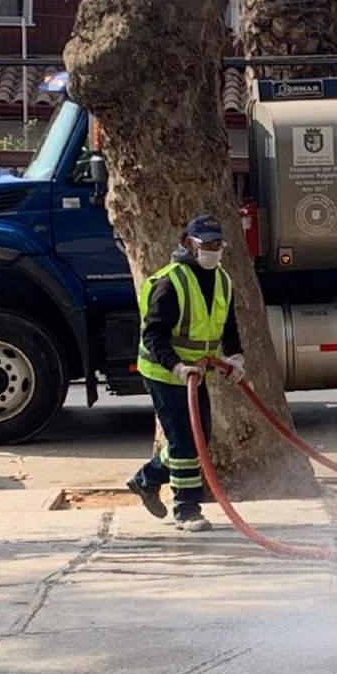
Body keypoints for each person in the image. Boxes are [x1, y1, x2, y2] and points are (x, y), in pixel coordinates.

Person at [127, 214, 245, 532]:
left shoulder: (223, 280)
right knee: (184, 443)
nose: (213, 250)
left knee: (199, 439)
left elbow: (228, 326)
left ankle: (146, 479)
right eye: (206, 245)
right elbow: (154, 335)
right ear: (188, 245)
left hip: (196, 372)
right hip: (165, 371)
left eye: (217, 244)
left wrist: (234, 357)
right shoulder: (170, 282)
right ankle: (187, 509)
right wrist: (176, 366)